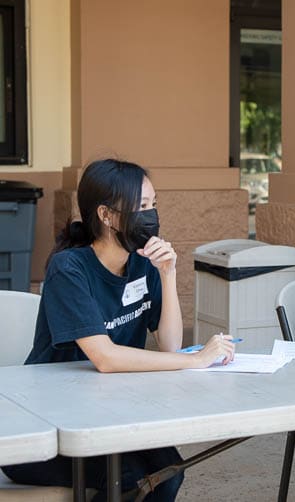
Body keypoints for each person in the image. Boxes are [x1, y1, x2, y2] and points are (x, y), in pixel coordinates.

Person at [1, 159, 236, 501]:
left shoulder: (143, 261)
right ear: (106, 215)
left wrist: (168, 274)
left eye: (154, 205)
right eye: (141, 206)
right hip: (45, 428)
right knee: (128, 481)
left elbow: (169, 345)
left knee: (168, 475)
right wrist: (197, 359)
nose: (151, 215)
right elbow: (105, 357)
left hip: (113, 413)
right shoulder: (69, 268)